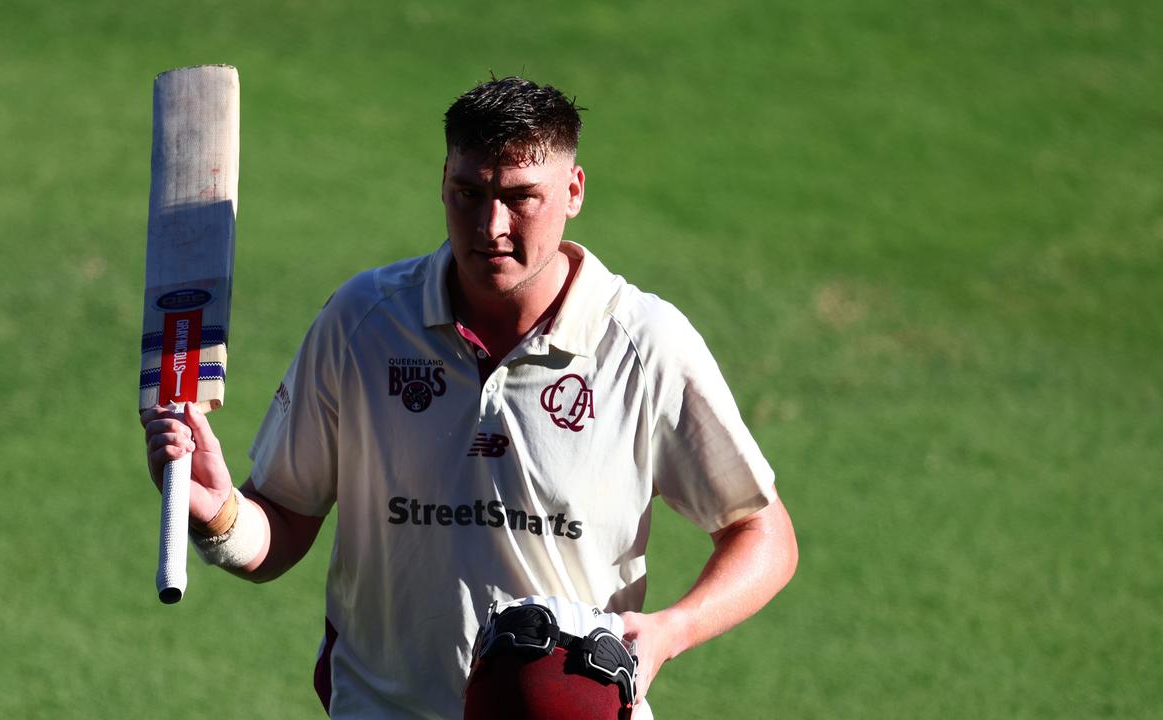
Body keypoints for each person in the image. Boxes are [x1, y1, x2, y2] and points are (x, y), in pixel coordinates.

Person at [142, 76, 798, 719]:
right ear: (443, 183)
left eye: (520, 197)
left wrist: (667, 633)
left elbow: (763, 532)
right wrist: (218, 514)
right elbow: (280, 526)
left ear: (573, 191)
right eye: (468, 193)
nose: (491, 225)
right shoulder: (364, 324)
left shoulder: (643, 345)